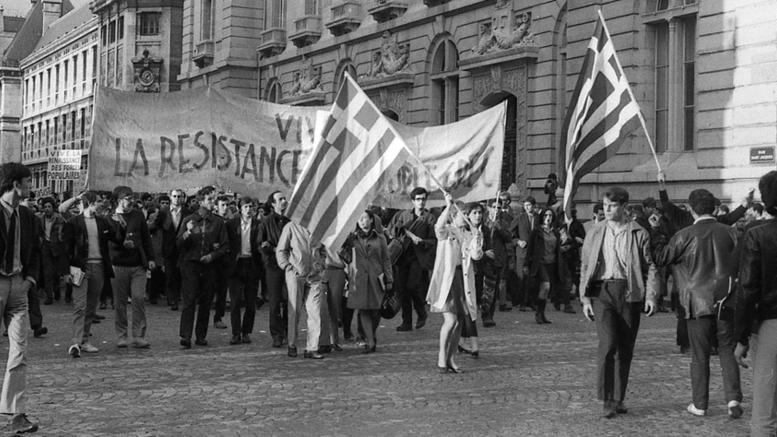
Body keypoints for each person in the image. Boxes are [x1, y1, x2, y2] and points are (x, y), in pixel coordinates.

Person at [653, 189, 742, 418]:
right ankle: (733, 399)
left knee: (699, 354)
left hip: (696, 301)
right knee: (726, 350)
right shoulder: (731, 233)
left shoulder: (684, 234)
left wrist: (658, 232)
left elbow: (662, 257)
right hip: (727, 299)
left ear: (691, 209)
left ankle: (700, 403)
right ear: (713, 207)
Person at [579, 186, 658, 419]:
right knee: (608, 343)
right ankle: (606, 400)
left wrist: (651, 295)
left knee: (625, 347)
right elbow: (585, 265)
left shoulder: (638, 233)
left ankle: (618, 397)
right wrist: (585, 298)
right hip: (602, 291)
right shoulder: (595, 232)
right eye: (605, 206)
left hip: (629, 291)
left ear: (624, 206)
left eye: (612, 206)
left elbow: (651, 266)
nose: (607, 210)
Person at [735, 170, 777, 436]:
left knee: (764, 404)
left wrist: (741, 338)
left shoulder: (757, 235)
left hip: (771, 324)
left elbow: (748, 289)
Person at [0, 163, 40, 433]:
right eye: (27, 181)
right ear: (15, 184)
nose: (30, 186)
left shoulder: (27, 216)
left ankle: (15, 414)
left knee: (19, 351)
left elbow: (36, 250)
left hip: (18, 284)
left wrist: (29, 280)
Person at [427, 195, 482, 374]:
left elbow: (476, 256)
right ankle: (441, 357)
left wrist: (478, 239)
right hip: (448, 279)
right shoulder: (448, 230)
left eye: (466, 213)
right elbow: (438, 227)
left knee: (459, 321)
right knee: (450, 319)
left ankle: (451, 358)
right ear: (453, 215)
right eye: (462, 213)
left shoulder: (468, 233)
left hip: (462, 280)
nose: (465, 216)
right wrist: (448, 205)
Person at [63, 192, 116, 358]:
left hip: (98, 266)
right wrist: (65, 271)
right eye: (99, 201)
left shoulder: (102, 221)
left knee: (92, 306)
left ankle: (85, 339)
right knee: (80, 306)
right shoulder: (74, 222)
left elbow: (115, 237)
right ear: (90, 203)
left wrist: (113, 221)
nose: (102, 204)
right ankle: (76, 342)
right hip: (80, 268)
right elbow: (66, 248)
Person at [177, 186, 229, 349]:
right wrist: (187, 233)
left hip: (209, 266)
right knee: (189, 300)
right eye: (209, 199)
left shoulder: (218, 222)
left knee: (206, 301)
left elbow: (224, 245)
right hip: (190, 264)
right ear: (201, 201)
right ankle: (185, 335)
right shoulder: (189, 219)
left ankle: (201, 335)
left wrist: (212, 256)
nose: (213, 202)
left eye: (214, 199)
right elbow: (178, 244)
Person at [339, 210, 393, 353]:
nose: (362, 221)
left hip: (376, 277)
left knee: (376, 310)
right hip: (358, 278)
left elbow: (386, 259)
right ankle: (370, 341)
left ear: (371, 220)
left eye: (365, 218)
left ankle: (371, 334)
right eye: (359, 219)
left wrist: (389, 278)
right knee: (363, 309)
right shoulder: (352, 238)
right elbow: (340, 250)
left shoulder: (380, 238)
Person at [108, 186, 156, 349]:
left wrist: (150, 258)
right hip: (118, 264)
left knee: (138, 298)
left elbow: (145, 238)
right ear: (119, 200)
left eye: (132, 198)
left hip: (137, 265)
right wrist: (122, 242)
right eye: (128, 198)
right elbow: (109, 241)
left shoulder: (137, 215)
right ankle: (121, 335)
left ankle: (139, 335)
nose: (131, 201)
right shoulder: (110, 217)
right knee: (120, 302)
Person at [276, 218, 326, 360]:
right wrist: (287, 267)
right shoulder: (291, 227)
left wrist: (321, 265)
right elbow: (281, 250)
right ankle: (292, 344)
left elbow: (323, 250)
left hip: (314, 276)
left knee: (315, 312)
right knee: (294, 311)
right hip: (296, 275)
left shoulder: (319, 227)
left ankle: (312, 347)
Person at [388, 187, 436, 332]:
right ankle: (406, 322)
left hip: (418, 258)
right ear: (413, 201)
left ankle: (421, 312)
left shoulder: (429, 218)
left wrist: (422, 242)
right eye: (418, 199)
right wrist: (399, 228)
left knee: (411, 286)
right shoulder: (403, 215)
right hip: (402, 256)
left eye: (423, 199)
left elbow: (434, 240)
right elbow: (391, 232)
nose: (421, 202)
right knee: (402, 289)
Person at [224, 197, 261, 345]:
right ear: (240, 208)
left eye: (251, 206)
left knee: (251, 302)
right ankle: (235, 332)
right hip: (236, 264)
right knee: (235, 301)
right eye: (246, 206)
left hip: (252, 264)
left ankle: (246, 332)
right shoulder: (231, 224)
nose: (249, 209)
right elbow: (226, 243)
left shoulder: (258, 225)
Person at [526, 208, 570, 324]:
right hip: (540, 263)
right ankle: (538, 313)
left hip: (552, 263)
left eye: (550, 216)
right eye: (545, 215)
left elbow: (556, 247)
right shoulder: (537, 231)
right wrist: (527, 264)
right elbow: (530, 248)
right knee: (545, 285)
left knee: (546, 289)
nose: (548, 218)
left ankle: (542, 313)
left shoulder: (555, 232)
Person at [259, 191, 290, 348]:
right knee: (275, 301)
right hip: (273, 266)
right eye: (280, 199)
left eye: (284, 198)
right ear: (273, 203)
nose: (284, 201)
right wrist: (274, 249)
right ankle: (277, 334)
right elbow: (261, 244)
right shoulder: (266, 222)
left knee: (290, 301)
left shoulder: (290, 221)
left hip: (290, 266)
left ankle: (287, 330)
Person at [152, 189, 190, 311]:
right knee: (169, 274)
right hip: (168, 248)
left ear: (183, 198)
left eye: (179, 196)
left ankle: (178, 296)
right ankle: (171, 298)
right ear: (171, 197)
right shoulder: (163, 212)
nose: (177, 199)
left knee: (180, 274)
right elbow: (155, 226)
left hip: (183, 248)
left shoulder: (187, 212)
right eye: (174, 196)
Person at [37, 197, 67, 305]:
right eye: (45, 207)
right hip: (45, 247)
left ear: (53, 207)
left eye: (49, 206)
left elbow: (63, 233)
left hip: (57, 247)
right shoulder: (40, 218)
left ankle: (56, 289)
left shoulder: (59, 218)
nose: (47, 209)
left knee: (56, 273)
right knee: (47, 273)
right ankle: (49, 296)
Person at [513, 196, 538, 312]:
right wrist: (517, 241)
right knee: (521, 278)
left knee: (532, 278)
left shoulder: (539, 218)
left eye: (530, 205)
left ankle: (531, 301)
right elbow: (510, 233)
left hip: (535, 252)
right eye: (526, 205)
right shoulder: (520, 218)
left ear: (534, 205)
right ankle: (521, 302)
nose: (528, 207)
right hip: (522, 252)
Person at [212, 195, 231, 330]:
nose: (225, 208)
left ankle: (218, 317)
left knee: (222, 290)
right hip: (213, 259)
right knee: (209, 289)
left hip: (226, 259)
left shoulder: (231, 221)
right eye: (222, 205)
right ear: (216, 207)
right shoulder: (213, 220)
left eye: (226, 205)